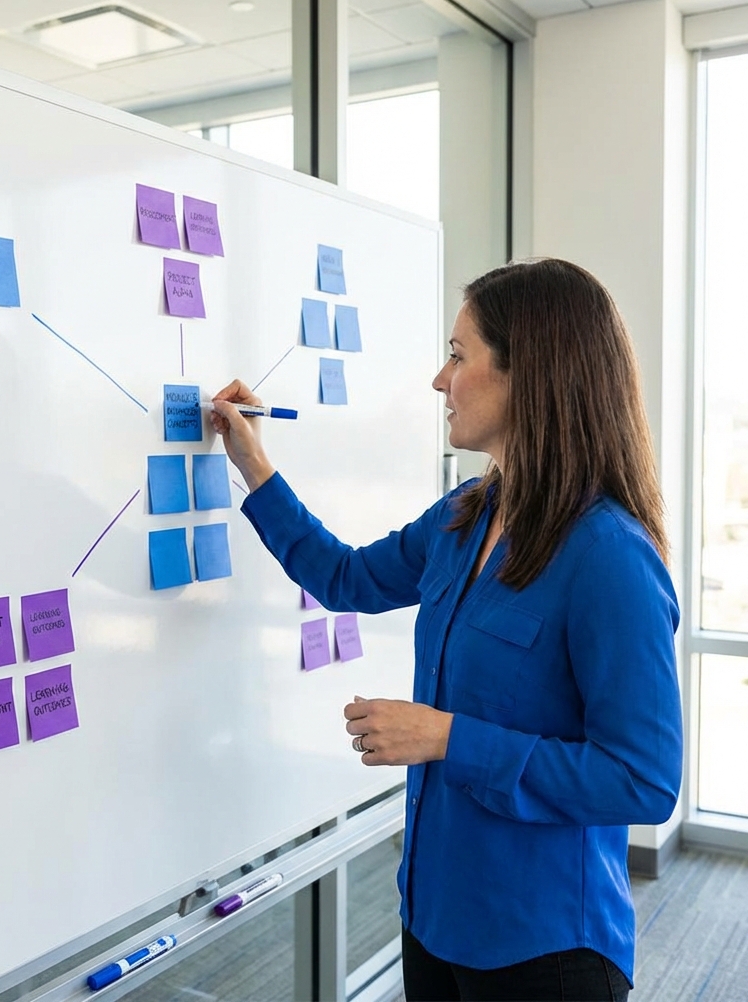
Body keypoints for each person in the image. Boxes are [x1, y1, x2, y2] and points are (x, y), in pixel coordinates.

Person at [210, 259, 682, 1002]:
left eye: (459, 356)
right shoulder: (467, 515)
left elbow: (643, 780)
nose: (439, 379)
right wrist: (252, 463)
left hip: (546, 949)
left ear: (530, 374)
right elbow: (345, 578)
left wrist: (446, 739)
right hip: (432, 920)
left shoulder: (610, 558)